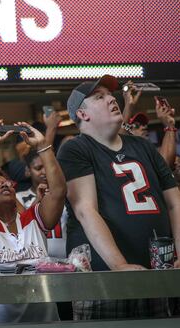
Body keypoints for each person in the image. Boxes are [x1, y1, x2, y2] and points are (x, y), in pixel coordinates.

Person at [57, 75, 180, 320]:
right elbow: (85, 210)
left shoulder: (143, 147)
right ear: (82, 114)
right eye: (99, 97)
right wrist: (119, 265)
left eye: (110, 95)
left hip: (156, 273)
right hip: (105, 278)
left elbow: (174, 202)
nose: (111, 99)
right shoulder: (76, 148)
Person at [0, 120, 65, 324]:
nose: (4, 186)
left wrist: (43, 146)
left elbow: (59, 191)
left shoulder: (33, 219)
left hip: (45, 323)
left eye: (7, 183)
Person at [16, 149, 68, 259]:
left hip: (66, 261)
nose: (44, 172)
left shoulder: (65, 195)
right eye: (38, 168)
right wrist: (37, 201)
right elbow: (19, 228)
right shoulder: (18, 197)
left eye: (47, 167)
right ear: (27, 171)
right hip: (33, 262)